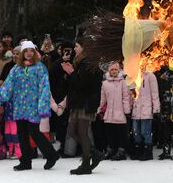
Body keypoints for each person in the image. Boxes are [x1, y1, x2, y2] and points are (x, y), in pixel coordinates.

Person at [0, 41, 59, 171]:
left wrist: (43, 106)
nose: (28, 53)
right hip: (19, 106)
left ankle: (51, 155)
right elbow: (7, 87)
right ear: (22, 53)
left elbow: (44, 88)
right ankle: (25, 161)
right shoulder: (16, 69)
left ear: (34, 52)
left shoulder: (40, 68)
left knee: (34, 132)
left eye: (31, 51)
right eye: (26, 51)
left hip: (33, 107)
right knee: (21, 133)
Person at [63, 41, 104, 174]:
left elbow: (82, 84)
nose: (74, 48)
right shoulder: (81, 62)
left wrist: (71, 73)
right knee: (72, 131)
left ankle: (86, 164)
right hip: (79, 102)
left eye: (77, 46)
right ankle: (94, 153)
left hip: (85, 103)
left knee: (81, 132)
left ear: (84, 48)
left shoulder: (88, 63)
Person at [99, 61, 131, 161]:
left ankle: (121, 151)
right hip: (109, 113)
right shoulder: (105, 84)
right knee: (110, 132)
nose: (114, 71)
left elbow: (126, 97)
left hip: (120, 112)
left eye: (115, 69)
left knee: (121, 132)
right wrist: (99, 108)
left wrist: (126, 111)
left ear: (119, 70)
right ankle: (111, 149)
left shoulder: (123, 82)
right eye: (112, 69)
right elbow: (102, 99)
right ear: (109, 71)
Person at [48, 41, 74, 156]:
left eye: (69, 50)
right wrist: (62, 60)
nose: (67, 52)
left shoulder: (76, 62)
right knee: (61, 125)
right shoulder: (57, 63)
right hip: (59, 96)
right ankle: (63, 146)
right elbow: (52, 73)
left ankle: (72, 148)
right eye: (65, 50)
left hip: (72, 95)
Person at [131, 65, 160, 161]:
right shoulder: (133, 76)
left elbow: (155, 93)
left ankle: (148, 152)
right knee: (136, 133)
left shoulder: (150, 76)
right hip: (136, 109)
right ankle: (139, 150)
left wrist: (156, 109)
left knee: (145, 132)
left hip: (146, 109)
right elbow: (130, 94)